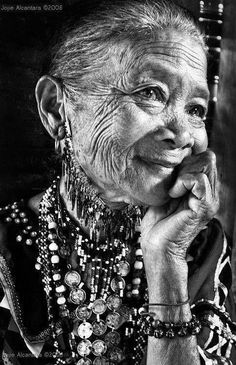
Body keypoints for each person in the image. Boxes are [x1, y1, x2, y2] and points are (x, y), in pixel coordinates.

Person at [0, 0, 236, 364]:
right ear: (55, 107)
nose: (183, 134)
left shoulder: (201, 245)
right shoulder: (5, 245)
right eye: (151, 92)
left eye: (195, 109)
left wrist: (168, 261)